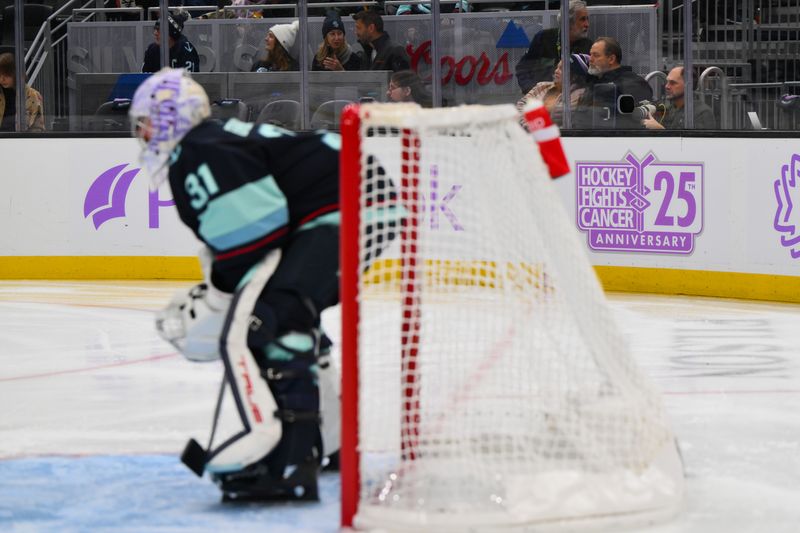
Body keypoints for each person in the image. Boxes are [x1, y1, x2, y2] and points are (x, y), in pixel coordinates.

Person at [129, 68, 397, 502]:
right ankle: (330, 439)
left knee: (273, 316)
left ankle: (293, 460)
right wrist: (225, 290)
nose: (141, 133)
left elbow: (257, 231)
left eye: (146, 122)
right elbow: (256, 236)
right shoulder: (207, 143)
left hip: (352, 201)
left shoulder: (196, 150)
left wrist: (217, 296)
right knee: (285, 311)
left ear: (171, 118)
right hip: (359, 196)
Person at [572, 36, 652, 129]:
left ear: (611, 59)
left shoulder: (632, 82)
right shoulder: (593, 81)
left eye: (596, 55)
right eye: (591, 55)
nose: (590, 59)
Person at [514, 0, 592, 95]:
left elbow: (591, 79)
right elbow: (523, 68)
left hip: (572, 101)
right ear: (568, 22)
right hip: (541, 97)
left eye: (587, 19)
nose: (587, 24)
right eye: (582, 19)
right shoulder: (543, 38)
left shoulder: (588, 47)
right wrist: (531, 91)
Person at [516, 53, 589, 130]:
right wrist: (529, 126)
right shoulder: (541, 86)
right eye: (557, 67)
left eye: (561, 69)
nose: (556, 71)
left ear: (574, 76)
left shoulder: (579, 94)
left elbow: (556, 119)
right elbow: (521, 105)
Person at [642, 65, 717, 130]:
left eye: (673, 83)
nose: (667, 86)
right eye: (667, 82)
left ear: (688, 86)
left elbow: (699, 144)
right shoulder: (669, 109)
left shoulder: (702, 113)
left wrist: (660, 130)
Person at [0, 53, 44, 132]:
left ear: (15, 73)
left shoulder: (32, 95)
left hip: (21, 141)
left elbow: (37, 128)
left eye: (6, 75)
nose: (1, 79)